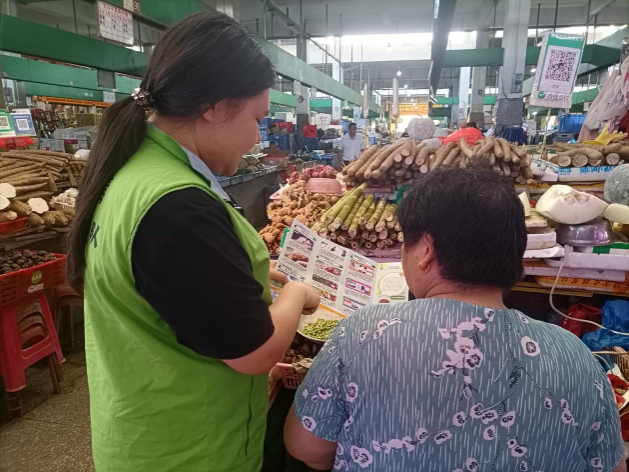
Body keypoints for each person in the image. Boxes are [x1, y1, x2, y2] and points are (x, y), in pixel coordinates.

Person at [66, 12, 320, 472]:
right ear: (215, 107)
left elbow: (163, 281)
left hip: (144, 432)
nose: (256, 137)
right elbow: (256, 352)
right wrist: (298, 293)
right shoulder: (178, 206)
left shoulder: (136, 172)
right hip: (189, 450)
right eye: (257, 119)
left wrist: (244, 271)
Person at [285, 168, 625, 472]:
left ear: (426, 251)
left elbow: (309, 450)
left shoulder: (363, 333)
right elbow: (610, 464)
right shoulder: (574, 354)